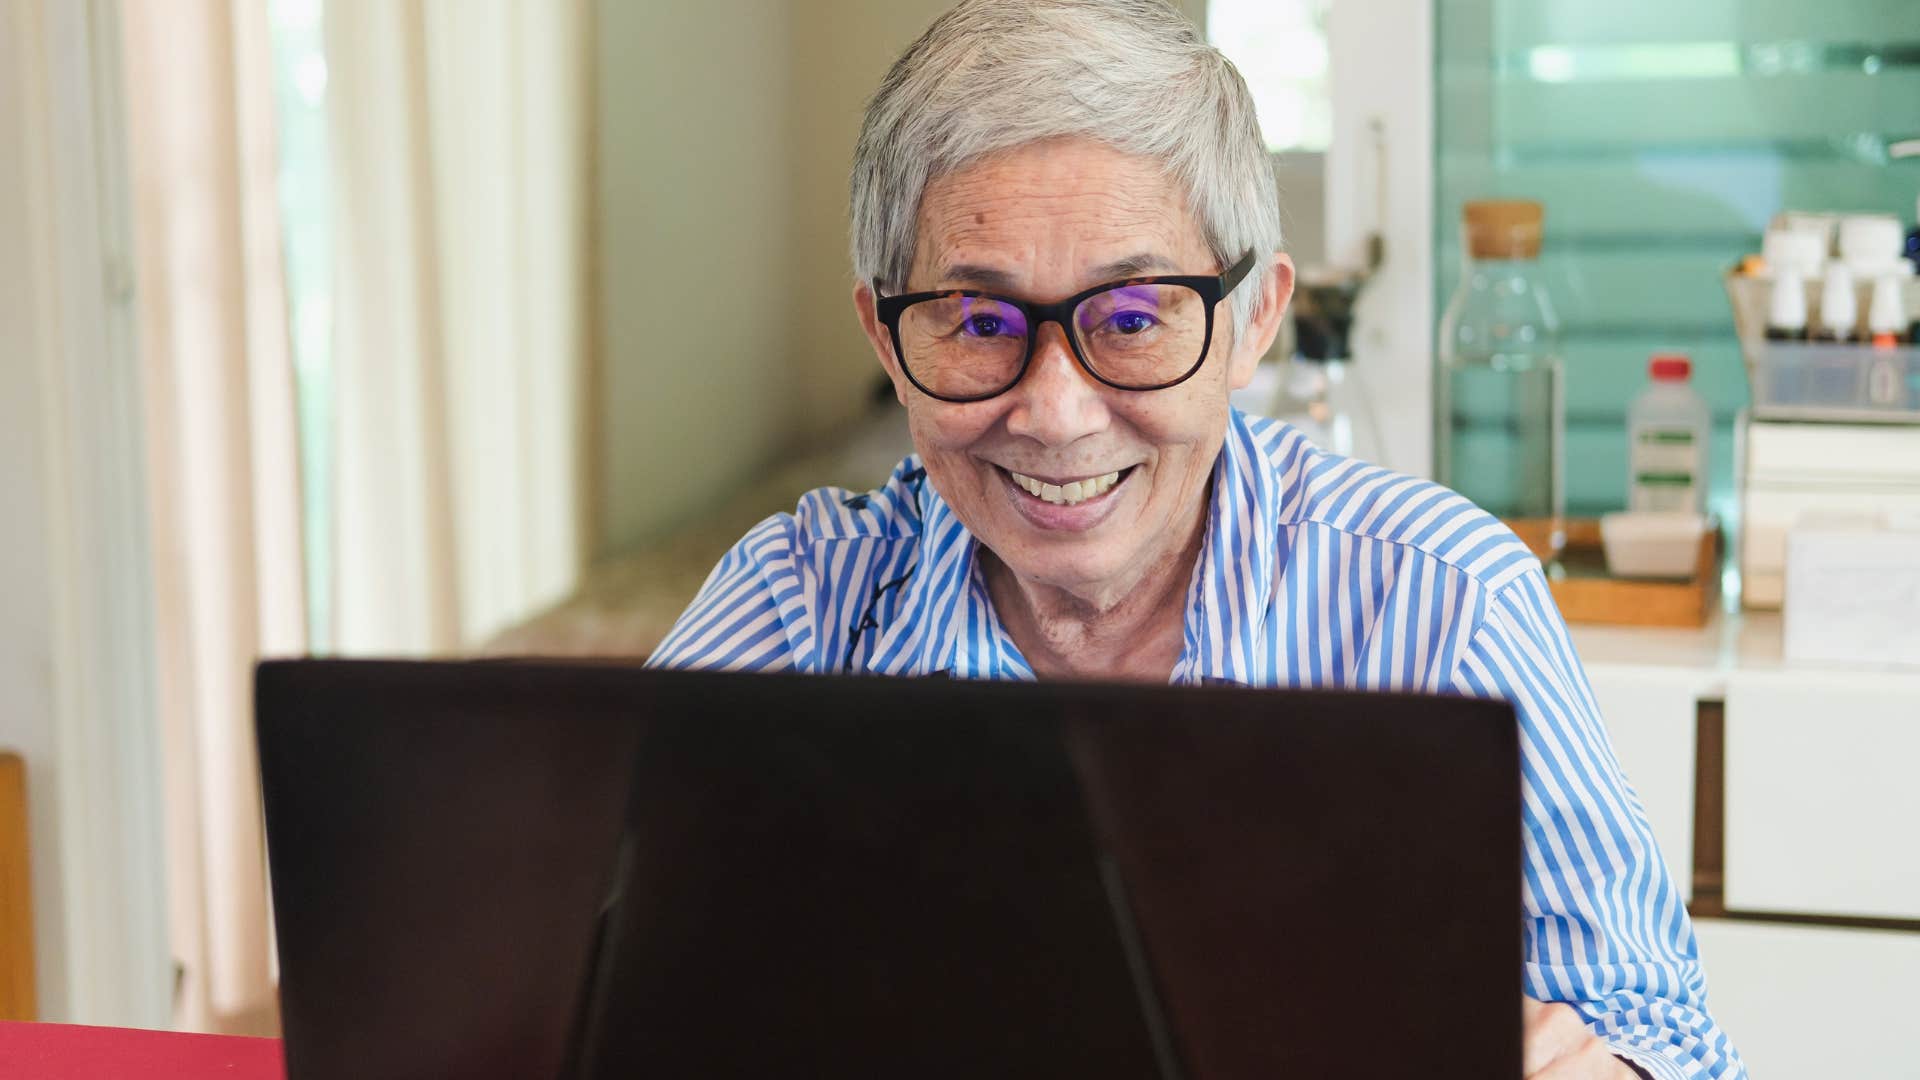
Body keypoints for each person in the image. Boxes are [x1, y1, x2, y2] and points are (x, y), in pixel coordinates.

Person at [650, 1, 1745, 1075]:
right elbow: (571, 985)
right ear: (886, 338)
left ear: (1253, 321)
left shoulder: (1445, 607)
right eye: (980, 325)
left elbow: (1674, 1037)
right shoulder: (805, 607)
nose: (1057, 414)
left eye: (1132, 321)